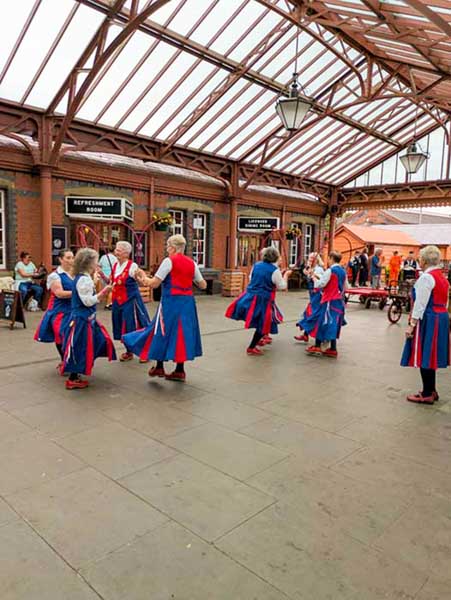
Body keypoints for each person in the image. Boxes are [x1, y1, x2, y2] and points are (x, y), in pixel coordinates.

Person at [123, 235, 206, 381]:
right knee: (181, 334)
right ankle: (179, 370)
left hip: (170, 302)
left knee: (160, 331)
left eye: (167, 246)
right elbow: (203, 285)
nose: (167, 249)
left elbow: (154, 283)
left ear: (173, 247)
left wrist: (142, 278)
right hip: (187, 303)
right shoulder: (192, 263)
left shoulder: (169, 261)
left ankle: (159, 367)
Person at [60, 248, 116, 390]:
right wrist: (104, 292)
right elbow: (87, 301)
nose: (97, 264)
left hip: (83, 318)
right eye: (96, 262)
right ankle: (73, 377)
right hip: (82, 319)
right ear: (89, 263)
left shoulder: (82, 277)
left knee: (86, 344)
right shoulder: (84, 279)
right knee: (79, 346)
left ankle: (77, 372)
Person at [401, 245, 449, 404]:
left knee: (424, 353)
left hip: (429, 318)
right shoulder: (442, 277)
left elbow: (420, 304)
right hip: (440, 317)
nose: (419, 260)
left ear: (424, 260)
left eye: (420, 258)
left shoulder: (426, 278)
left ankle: (427, 392)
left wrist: (412, 325)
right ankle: (431, 390)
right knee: (431, 354)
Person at [225, 247, 291, 356]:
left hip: (249, 296)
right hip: (263, 300)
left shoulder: (257, 265)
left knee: (259, 319)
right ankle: (251, 347)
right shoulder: (274, 270)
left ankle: (261, 338)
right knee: (263, 323)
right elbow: (282, 286)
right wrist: (286, 276)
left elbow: (252, 278)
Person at [107, 240, 150, 362]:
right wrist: (101, 275)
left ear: (126, 253)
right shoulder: (115, 265)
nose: (116, 252)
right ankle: (129, 351)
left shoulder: (132, 266)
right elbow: (112, 282)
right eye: (116, 250)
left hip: (130, 301)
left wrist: (142, 277)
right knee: (121, 326)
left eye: (119, 250)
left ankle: (144, 352)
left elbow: (138, 273)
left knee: (135, 326)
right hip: (117, 302)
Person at [34, 249, 75, 369]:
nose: (71, 260)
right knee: (61, 337)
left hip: (74, 310)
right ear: (60, 259)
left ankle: (69, 362)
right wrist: (79, 292)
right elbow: (59, 293)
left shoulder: (77, 273)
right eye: (68, 258)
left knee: (74, 337)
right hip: (59, 311)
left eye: (72, 257)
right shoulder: (54, 275)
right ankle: (65, 361)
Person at [305, 251, 347, 358]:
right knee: (333, 323)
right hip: (338, 301)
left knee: (322, 322)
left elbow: (321, 284)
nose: (327, 260)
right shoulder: (343, 271)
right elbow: (346, 286)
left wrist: (313, 277)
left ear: (332, 258)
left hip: (329, 300)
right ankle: (333, 348)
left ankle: (317, 346)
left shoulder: (330, 270)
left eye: (328, 258)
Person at [295, 252, 324, 343]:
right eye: (309, 258)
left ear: (316, 260)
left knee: (312, 314)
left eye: (312, 258)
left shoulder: (319, 269)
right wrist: (307, 272)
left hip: (318, 294)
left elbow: (322, 281)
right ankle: (305, 335)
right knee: (309, 313)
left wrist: (313, 275)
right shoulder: (309, 268)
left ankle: (317, 337)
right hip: (312, 294)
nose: (310, 260)